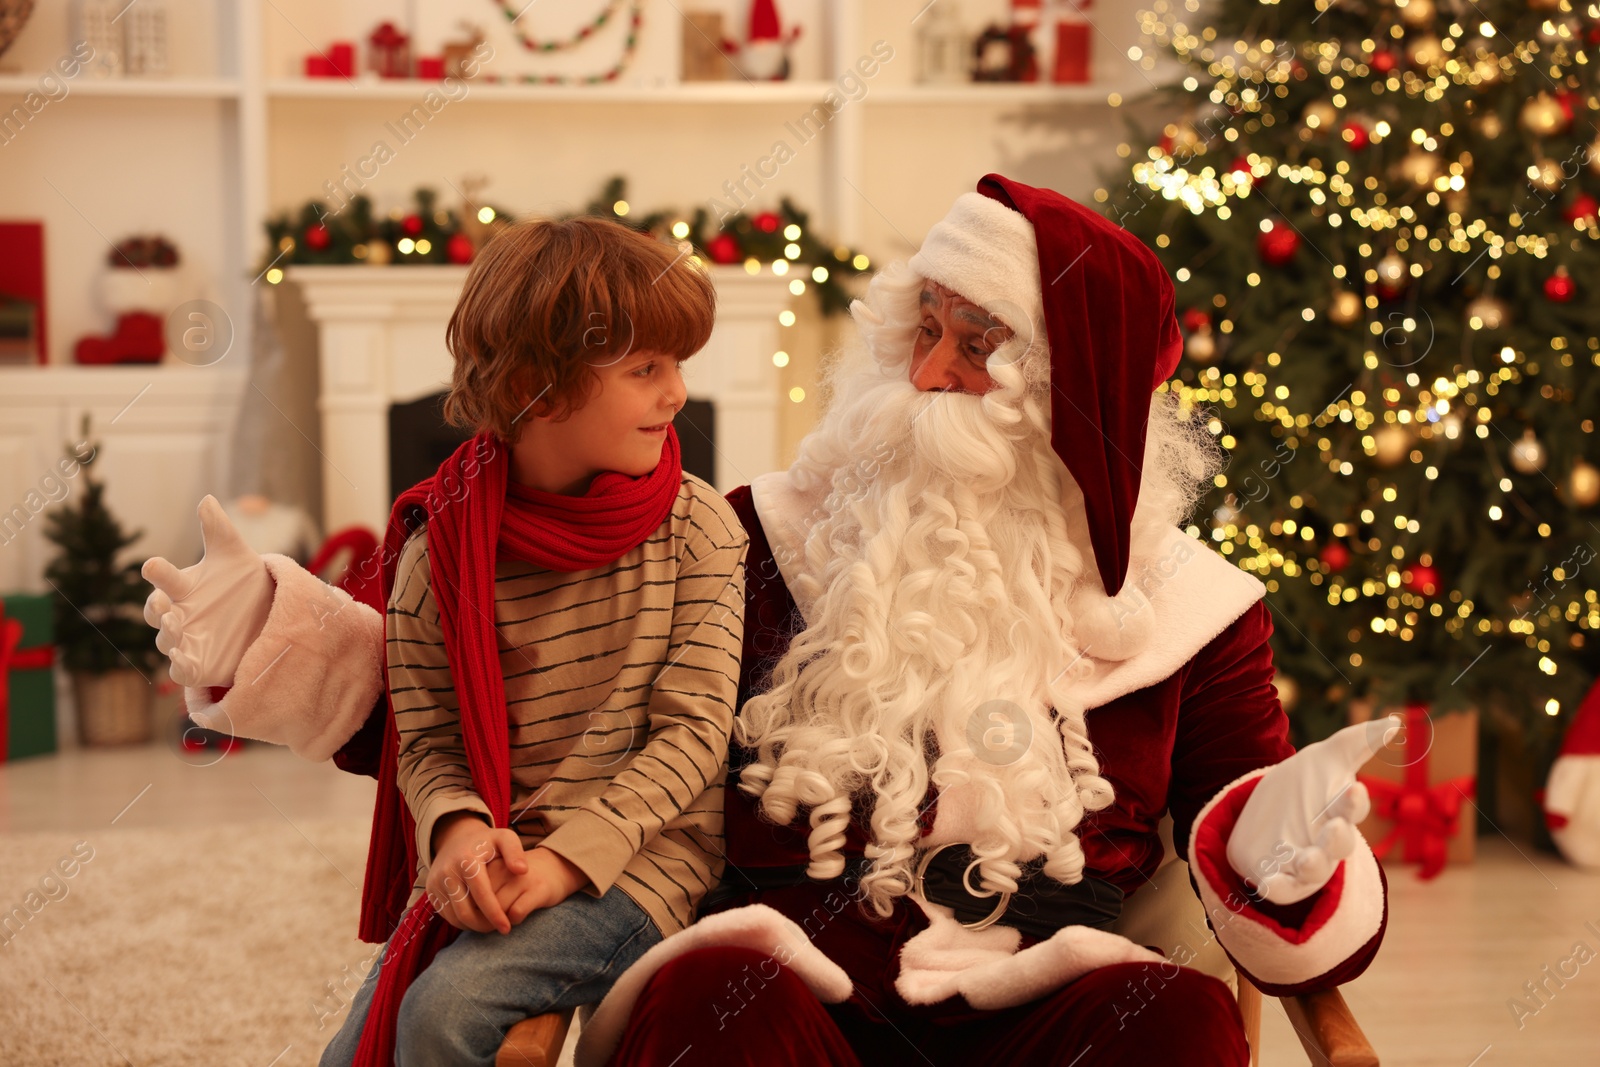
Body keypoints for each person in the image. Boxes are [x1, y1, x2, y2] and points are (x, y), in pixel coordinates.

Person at [149, 175, 1392, 1066]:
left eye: (979, 347)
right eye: (923, 331)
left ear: (1073, 396)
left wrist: (1290, 850)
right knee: (713, 1002)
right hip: (792, 980)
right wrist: (278, 631)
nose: (928, 376)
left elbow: (1245, 825)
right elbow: (516, 684)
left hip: (1045, 988)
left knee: (1173, 1023)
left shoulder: (1193, 612)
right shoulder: (752, 533)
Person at [141, 216, 748, 1066]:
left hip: (644, 863)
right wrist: (459, 835)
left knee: (442, 1015)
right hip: (498, 850)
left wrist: (564, 865)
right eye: (647, 368)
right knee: (357, 1048)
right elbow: (425, 735)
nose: (676, 392)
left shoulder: (700, 530)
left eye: (678, 365)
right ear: (541, 385)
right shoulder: (442, 546)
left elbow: (694, 738)